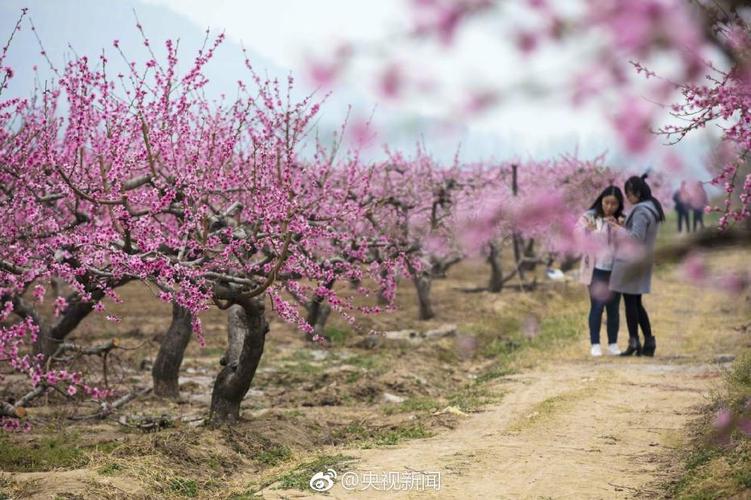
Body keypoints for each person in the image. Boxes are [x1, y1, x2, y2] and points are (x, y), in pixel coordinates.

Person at [608, 174, 665, 357]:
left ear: (638, 193)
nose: (627, 198)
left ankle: (635, 342)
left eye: (629, 194)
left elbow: (635, 238)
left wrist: (618, 229)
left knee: (631, 303)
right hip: (640, 261)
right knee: (636, 303)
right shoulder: (652, 207)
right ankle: (648, 341)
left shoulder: (641, 210)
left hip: (630, 261)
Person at [577, 186, 625, 357]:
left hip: (615, 269)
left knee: (613, 307)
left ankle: (613, 344)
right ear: (601, 201)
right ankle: (595, 344)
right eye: (606, 202)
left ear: (619, 204)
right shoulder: (590, 217)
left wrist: (621, 229)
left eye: (614, 204)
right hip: (596, 269)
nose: (609, 207)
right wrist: (586, 231)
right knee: (597, 306)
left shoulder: (621, 220)